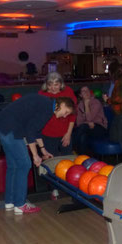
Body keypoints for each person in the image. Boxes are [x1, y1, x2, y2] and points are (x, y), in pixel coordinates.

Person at [0, 94, 75, 215]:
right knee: (25, 164)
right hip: (10, 128)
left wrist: (43, 150)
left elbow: (36, 131)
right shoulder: (47, 108)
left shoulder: (46, 104)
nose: (65, 116)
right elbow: (30, 132)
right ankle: (20, 204)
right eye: (66, 112)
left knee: (14, 166)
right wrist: (35, 155)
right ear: (62, 104)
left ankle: (10, 202)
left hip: (2, 125)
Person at [38, 72, 77, 200]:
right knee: (51, 161)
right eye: (50, 84)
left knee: (68, 160)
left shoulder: (68, 92)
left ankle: (71, 187)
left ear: (61, 84)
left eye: (56, 84)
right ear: (46, 85)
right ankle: (54, 188)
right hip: (47, 134)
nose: (54, 87)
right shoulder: (42, 95)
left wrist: (68, 134)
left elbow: (72, 115)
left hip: (65, 133)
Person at [74, 86, 108, 155]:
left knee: (83, 127)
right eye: (83, 91)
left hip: (100, 128)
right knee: (83, 136)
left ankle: (72, 147)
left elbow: (90, 118)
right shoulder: (79, 105)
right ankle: (82, 159)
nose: (86, 92)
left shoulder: (96, 102)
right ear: (80, 95)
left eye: (87, 90)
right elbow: (78, 122)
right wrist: (88, 123)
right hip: (87, 128)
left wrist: (86, 105)